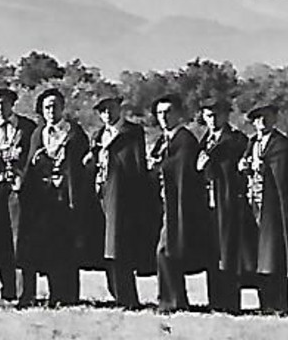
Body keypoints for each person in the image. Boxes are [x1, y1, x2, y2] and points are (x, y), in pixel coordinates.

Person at [21, 88, 91, 306]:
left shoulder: (74, 132)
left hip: (68, 197)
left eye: (55, 106)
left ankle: (69, 295)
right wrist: (35, 163)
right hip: (44, 199)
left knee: (68, 247)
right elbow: (30, 165)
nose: (51, 111)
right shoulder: (38, 134)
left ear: (63, 108)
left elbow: (83, 165)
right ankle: (54, 294)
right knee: (49, 247)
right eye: (47, 107)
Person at [240, 103, 288, 314]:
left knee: (275, 256)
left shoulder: (283, 145)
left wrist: (267, 171)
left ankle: (280, 304)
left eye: (266, 117)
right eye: (257, 119)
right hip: (254, 204)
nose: (262, 122)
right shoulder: (252, 143)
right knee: (258, 256)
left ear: (274, 119)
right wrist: (243, 167)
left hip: (274, 207)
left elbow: (286, 179)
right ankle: (264, 303)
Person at [89, 95, 154, 309]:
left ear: (119, 109)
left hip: (124, 195)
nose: (107, 114)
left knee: (120, 247)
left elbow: (137, 165)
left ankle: (127, 297)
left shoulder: (131, 132)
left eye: (110, 109)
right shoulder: (99, 135)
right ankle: (116, 294)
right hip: (102, 193)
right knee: (106, 246)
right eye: (102, 110)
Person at [150, 94, 207, 313]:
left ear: (178, 114)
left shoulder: (185, 139)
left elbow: (181, 170)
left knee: (165, 251)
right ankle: (174, 298)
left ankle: (170, 300)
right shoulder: (163, 139)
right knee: (167, 251)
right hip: (165, 203)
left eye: (167, 113)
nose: (163, 118)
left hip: (180, 205)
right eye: (159, 114)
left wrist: (161, 165)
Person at [0, 86, 35, 305]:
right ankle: (7, 292)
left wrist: (22, 173)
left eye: (3, 104)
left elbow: (34, 159)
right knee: (2, 242)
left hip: (20, 192)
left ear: (12, 104)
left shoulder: (28, 128)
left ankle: (25, 294)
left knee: (20, 242)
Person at [198, 99, 253, 314]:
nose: (212, 120)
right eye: (208, 115)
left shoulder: (237, 140)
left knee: (229, 253)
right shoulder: (204, 141)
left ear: (225, 116)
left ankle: (230, 302)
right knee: (212, 252)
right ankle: (215, 300)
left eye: (216, 115)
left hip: (229, 201)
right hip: (209, 202)